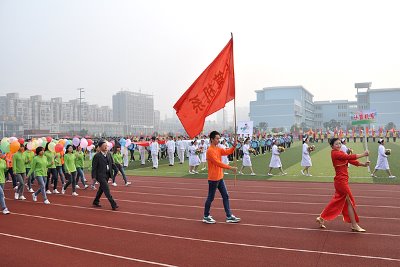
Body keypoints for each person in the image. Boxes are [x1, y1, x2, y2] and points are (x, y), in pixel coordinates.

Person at [316, 138, 370, 232]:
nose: (339, 145)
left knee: (336, 201)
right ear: (332, 146)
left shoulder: (340, 153)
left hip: (342, 181)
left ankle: (321, 218)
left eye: (340, 143)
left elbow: (350, 161)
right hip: (341, 182)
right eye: (336, 144)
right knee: (350, 202)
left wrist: (363, 165)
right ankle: (354, 225)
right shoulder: (335, 153)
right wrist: (363, 154)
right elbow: (349, 157)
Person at [203, 131, 240, 224]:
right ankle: (206, 216)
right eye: (217, 138)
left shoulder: (218, 148)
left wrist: (234, 147)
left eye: (219, 138)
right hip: (213, 179)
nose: (218, 140)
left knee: (226, 196)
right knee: (210, 198)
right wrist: (231, 168)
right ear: (212, 139)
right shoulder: (210, 151)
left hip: (220, 177)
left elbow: (227, 152)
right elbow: (217, 163)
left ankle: (229, 216)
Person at [92, 140, 118, 210]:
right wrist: (94, 177)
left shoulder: (109, 154)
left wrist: (116, 169)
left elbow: (112, 163)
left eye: (106, 145)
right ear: (100, 147)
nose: (106, 147)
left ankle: (96, 201)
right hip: (100, 175)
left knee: (101, 189)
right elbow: (94, 167)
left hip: (107, 174)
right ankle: (113, 204)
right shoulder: (97, 156)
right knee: (106, 189)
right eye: (104, 146)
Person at [0, 150, 11, 214]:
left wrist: (7, 162)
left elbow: (6, 170)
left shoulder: (3, 161)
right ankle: (4, 208)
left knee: (0, 194)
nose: (1, 154)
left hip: (2, 180)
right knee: (1, 194)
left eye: (1, 153)